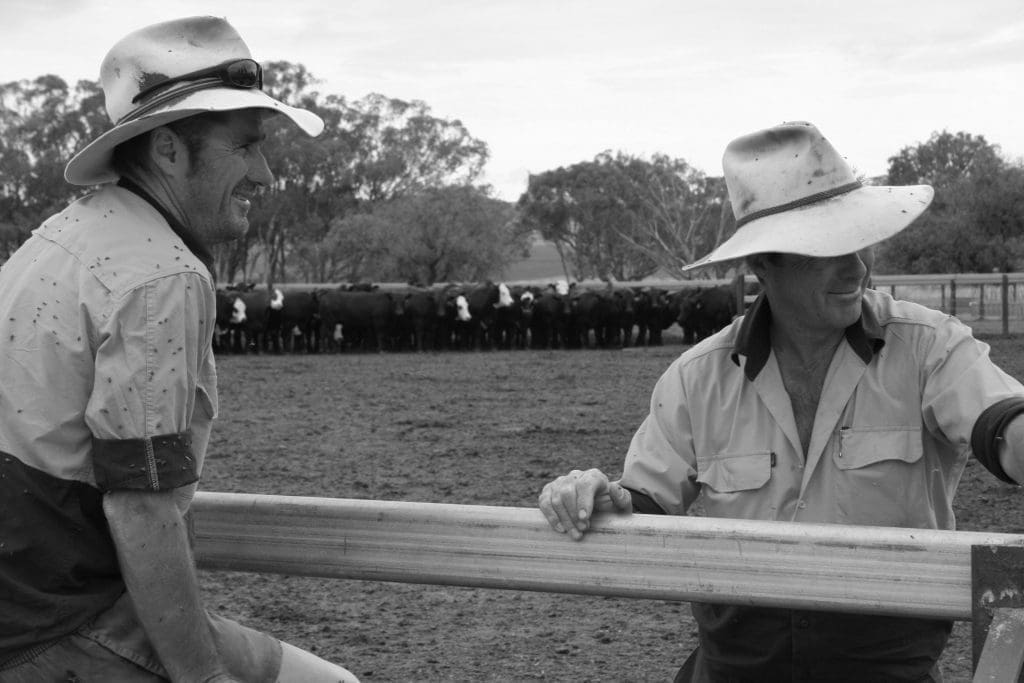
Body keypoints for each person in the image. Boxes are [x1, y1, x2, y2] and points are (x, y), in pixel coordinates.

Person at [539, 121, 1024, 682]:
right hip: (737, 665)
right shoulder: (698, 377)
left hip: (885, 668)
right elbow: (645, 502)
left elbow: (1006, 425)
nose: (858, 268)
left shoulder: (929, 348)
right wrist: (599, 494)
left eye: (860, 244)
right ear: (763, 264)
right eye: (828, 250)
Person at [0, 17, 359, 683]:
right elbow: (141, 506)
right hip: (58, 625)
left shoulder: (61, 236)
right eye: (247, 148)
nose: (267, 174)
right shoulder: (163, 275)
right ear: (168, 151)